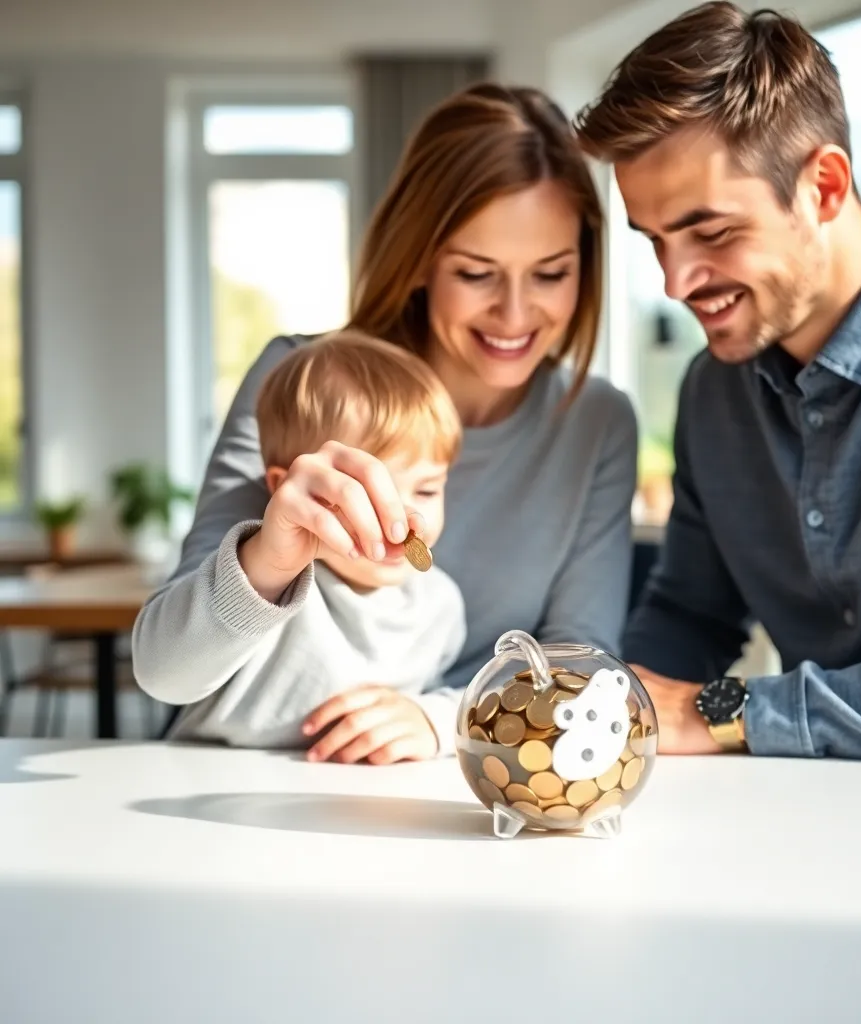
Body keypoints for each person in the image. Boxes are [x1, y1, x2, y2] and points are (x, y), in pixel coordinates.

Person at [135, 83, 638, 764]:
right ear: (420, 260)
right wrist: (264, 560)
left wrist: (439, 719)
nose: (516, 314)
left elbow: (581, 667)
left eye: (551, 274)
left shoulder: (597, 424)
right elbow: (167, 673)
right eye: (477, 273)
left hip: (430, 789)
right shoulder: (300, 380)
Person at [575, 0, 861, 763]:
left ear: (822, 186)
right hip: (807, 834)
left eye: (711, 232)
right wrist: (593, 712)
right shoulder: (712, 391)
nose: (676, 282)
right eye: (654, 240)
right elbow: (690, 616)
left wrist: (726, 712)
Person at [133, 331, 468, 761]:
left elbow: (473, 700)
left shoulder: (439, 605)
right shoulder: (262, 587)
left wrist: (433, 718)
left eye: (425, 491)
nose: (401, 521)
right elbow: (162, 676)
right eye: (366, 491)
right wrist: (264, 570)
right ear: (284, 488)